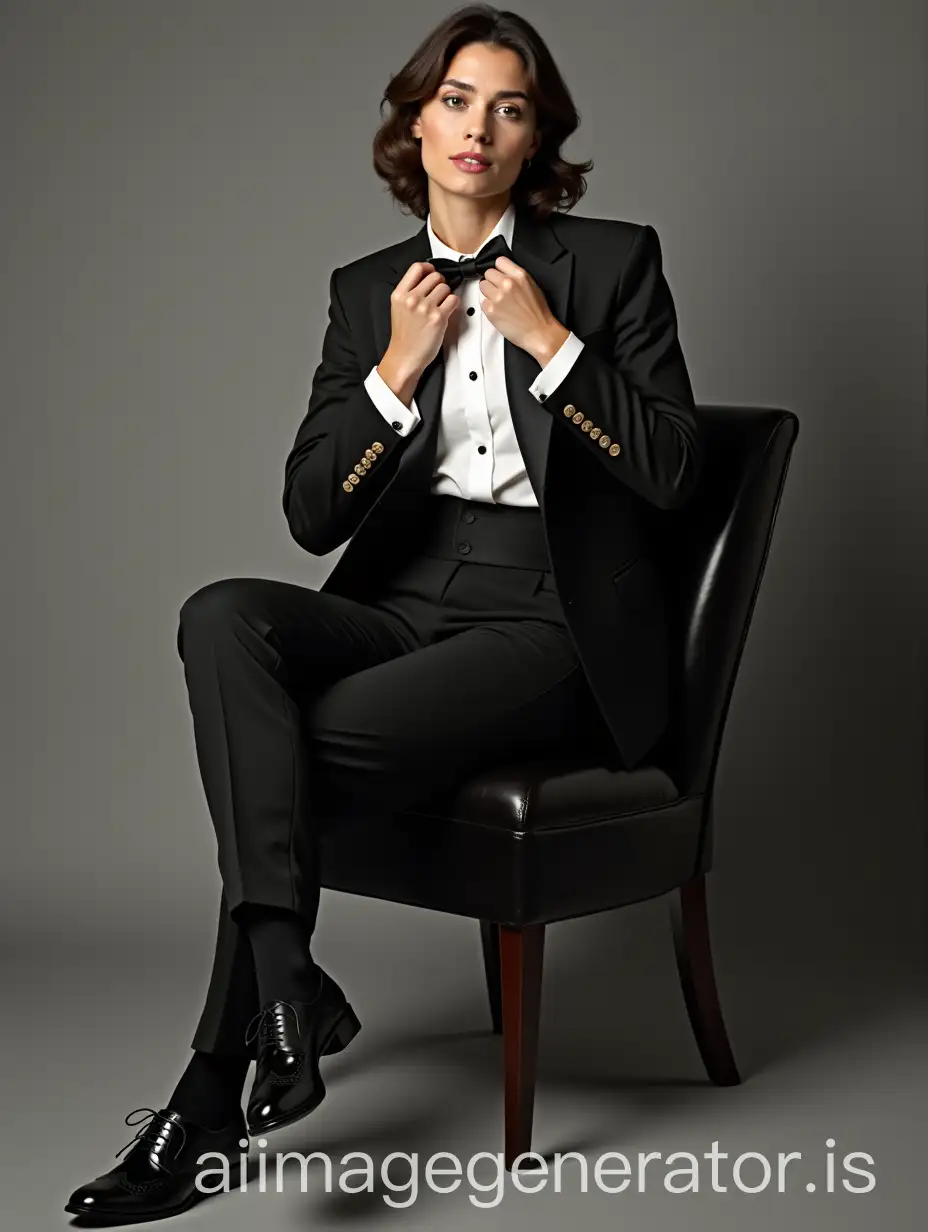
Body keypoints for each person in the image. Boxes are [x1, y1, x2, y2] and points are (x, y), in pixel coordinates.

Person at [65, 3, 702, 1222]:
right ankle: (291, 987)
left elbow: (673, 469)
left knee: (280, 757)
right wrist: (394, 372)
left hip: (549, 617)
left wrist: (552, 343)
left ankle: (214, 1083)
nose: (478, 127)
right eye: (456, 99)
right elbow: (311, 515)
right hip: (407, 593)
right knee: (220, 615)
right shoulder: (367, 291)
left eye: (508, 109)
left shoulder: (612, 262)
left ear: (534, 142)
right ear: (415, 122)